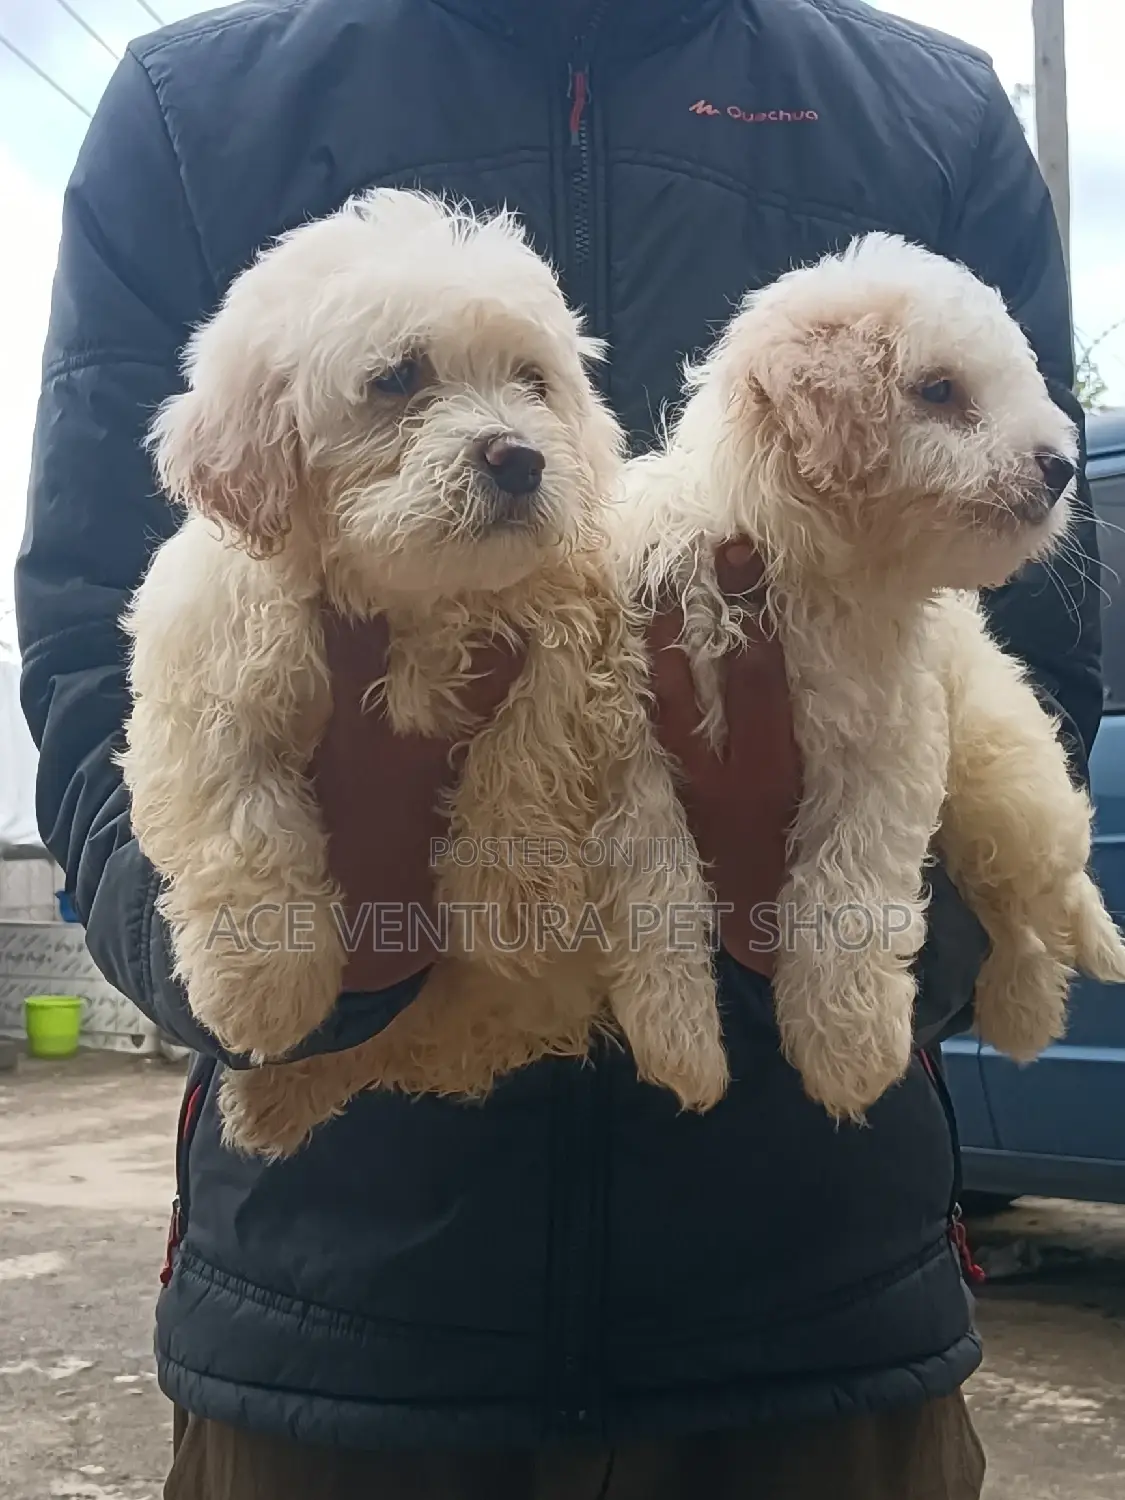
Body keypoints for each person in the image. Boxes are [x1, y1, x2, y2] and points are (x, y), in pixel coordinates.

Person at [16, 1, 1101, 1496]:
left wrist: (849, 944)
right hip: (339, 1326)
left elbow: (1025, 638)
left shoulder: (932, 114)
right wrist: (308, 965)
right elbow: (92, 644)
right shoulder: (196, 108)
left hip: (811, 1306)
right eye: (402, 384)